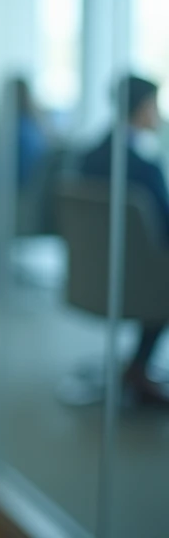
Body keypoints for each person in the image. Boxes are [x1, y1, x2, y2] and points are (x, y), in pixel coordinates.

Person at [81, 74, 169, 406]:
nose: (159, 115)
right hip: (139, 279)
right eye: (155, 106)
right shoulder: (144, 167)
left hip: (91, 273)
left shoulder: (88, 156)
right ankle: (139, 367)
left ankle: (137, 365)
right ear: (142, 108)